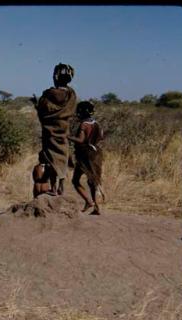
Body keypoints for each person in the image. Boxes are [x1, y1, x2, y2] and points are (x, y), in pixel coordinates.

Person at [32, 63, 77, 195]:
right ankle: (61, 186)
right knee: (62, 158)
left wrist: (36, 104)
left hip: (50, 130)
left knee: (50, 158)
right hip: (64, 129)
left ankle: (53, 187)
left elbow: (43, 108)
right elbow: (71, 110)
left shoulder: (49, 93)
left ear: (56, 77)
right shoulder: (71, 94)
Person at [68, 101, 105, 215]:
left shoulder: (84, 124)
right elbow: (101, 136)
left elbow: (80, 140)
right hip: (96, 153)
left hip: (85, 155)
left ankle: (89, 201)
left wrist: (67, 137)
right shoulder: (96, 123)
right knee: (93, 181)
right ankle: (97, 207)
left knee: (75, 180)